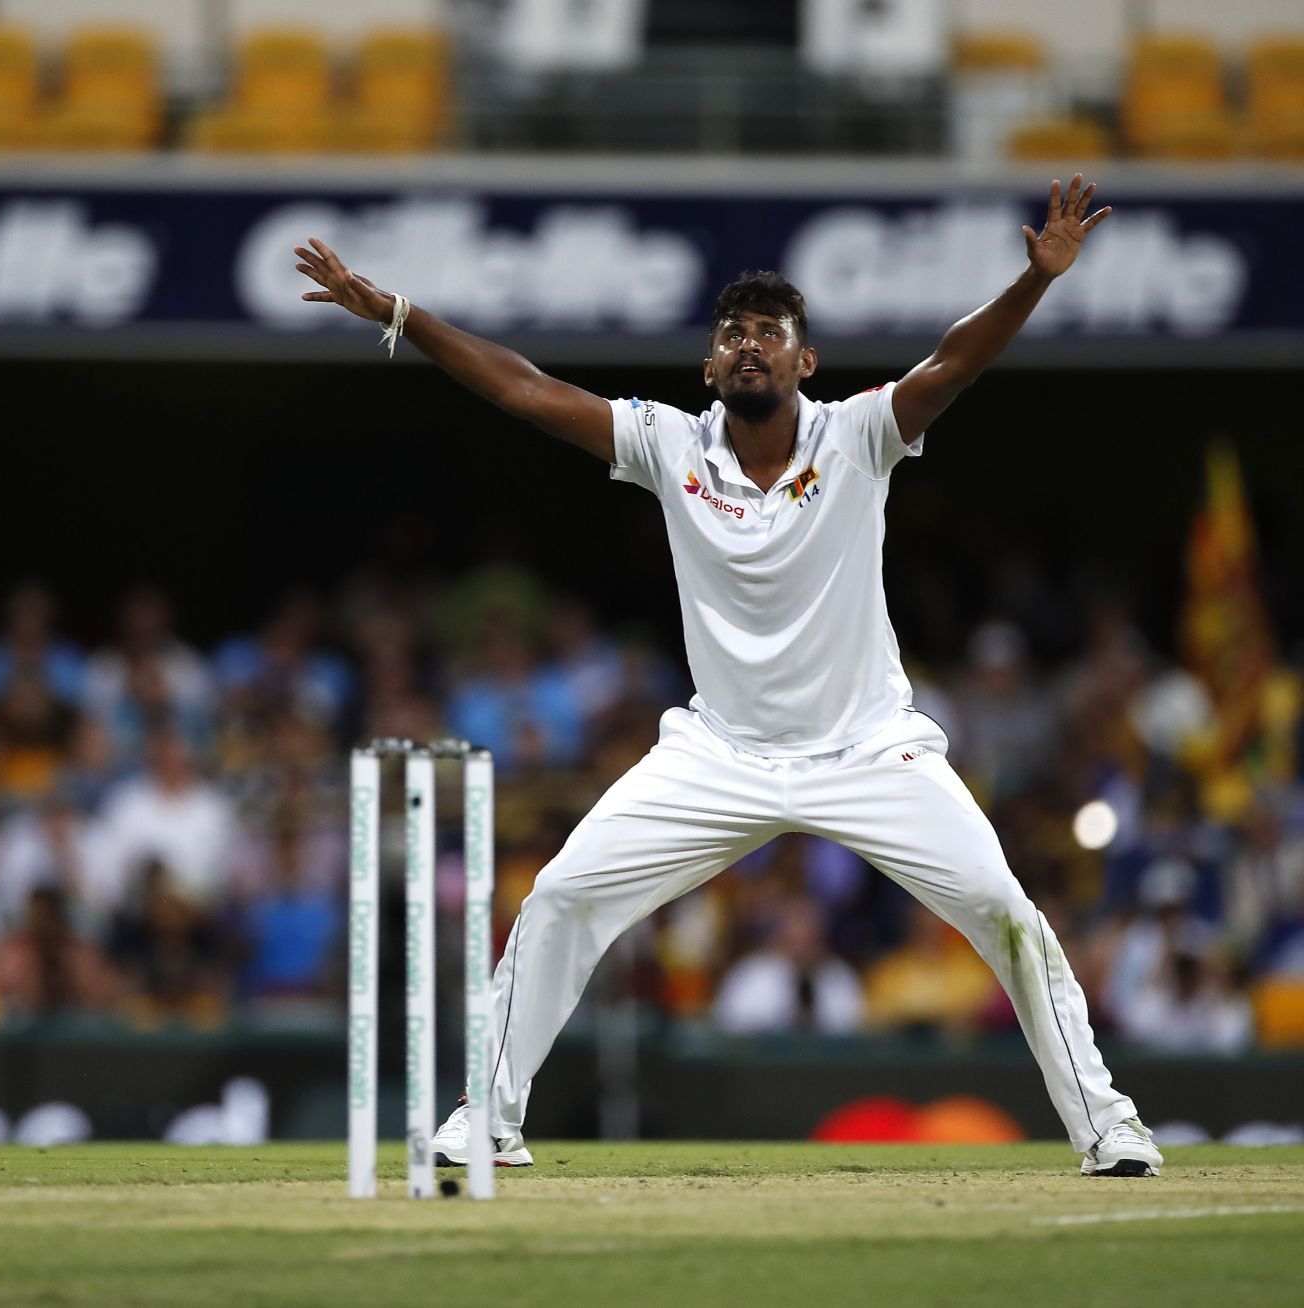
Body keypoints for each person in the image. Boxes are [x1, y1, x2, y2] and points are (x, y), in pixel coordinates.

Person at [294, 172, 1163, 1179]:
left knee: (1007, 912)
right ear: (711, 365)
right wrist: (400, 314)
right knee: (562, 896)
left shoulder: (861, 432)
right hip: (719, 752)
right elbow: (522, 388)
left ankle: (1106, 1126)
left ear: (806, 360)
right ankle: (486, 1116)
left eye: (771, 329)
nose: (750, 341)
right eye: (734, 331)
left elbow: (954, 362)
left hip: (868, 746)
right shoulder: (670, 444)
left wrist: (1035, 284)